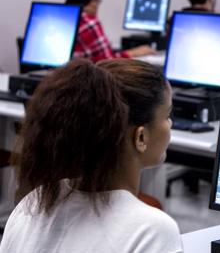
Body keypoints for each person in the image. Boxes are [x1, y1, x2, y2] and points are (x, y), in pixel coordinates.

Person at [0, 59, 182, 252]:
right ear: (141, 137)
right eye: (167, 115)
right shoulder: (152, 231)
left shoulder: (33, 203)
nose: (170, 124)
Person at [65, 0, 155, 63]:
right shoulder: (90, 23)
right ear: (85, 3)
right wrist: (131, 53)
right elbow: (107, 60)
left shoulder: (67, 19)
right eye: (96, 0)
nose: (98, 5)